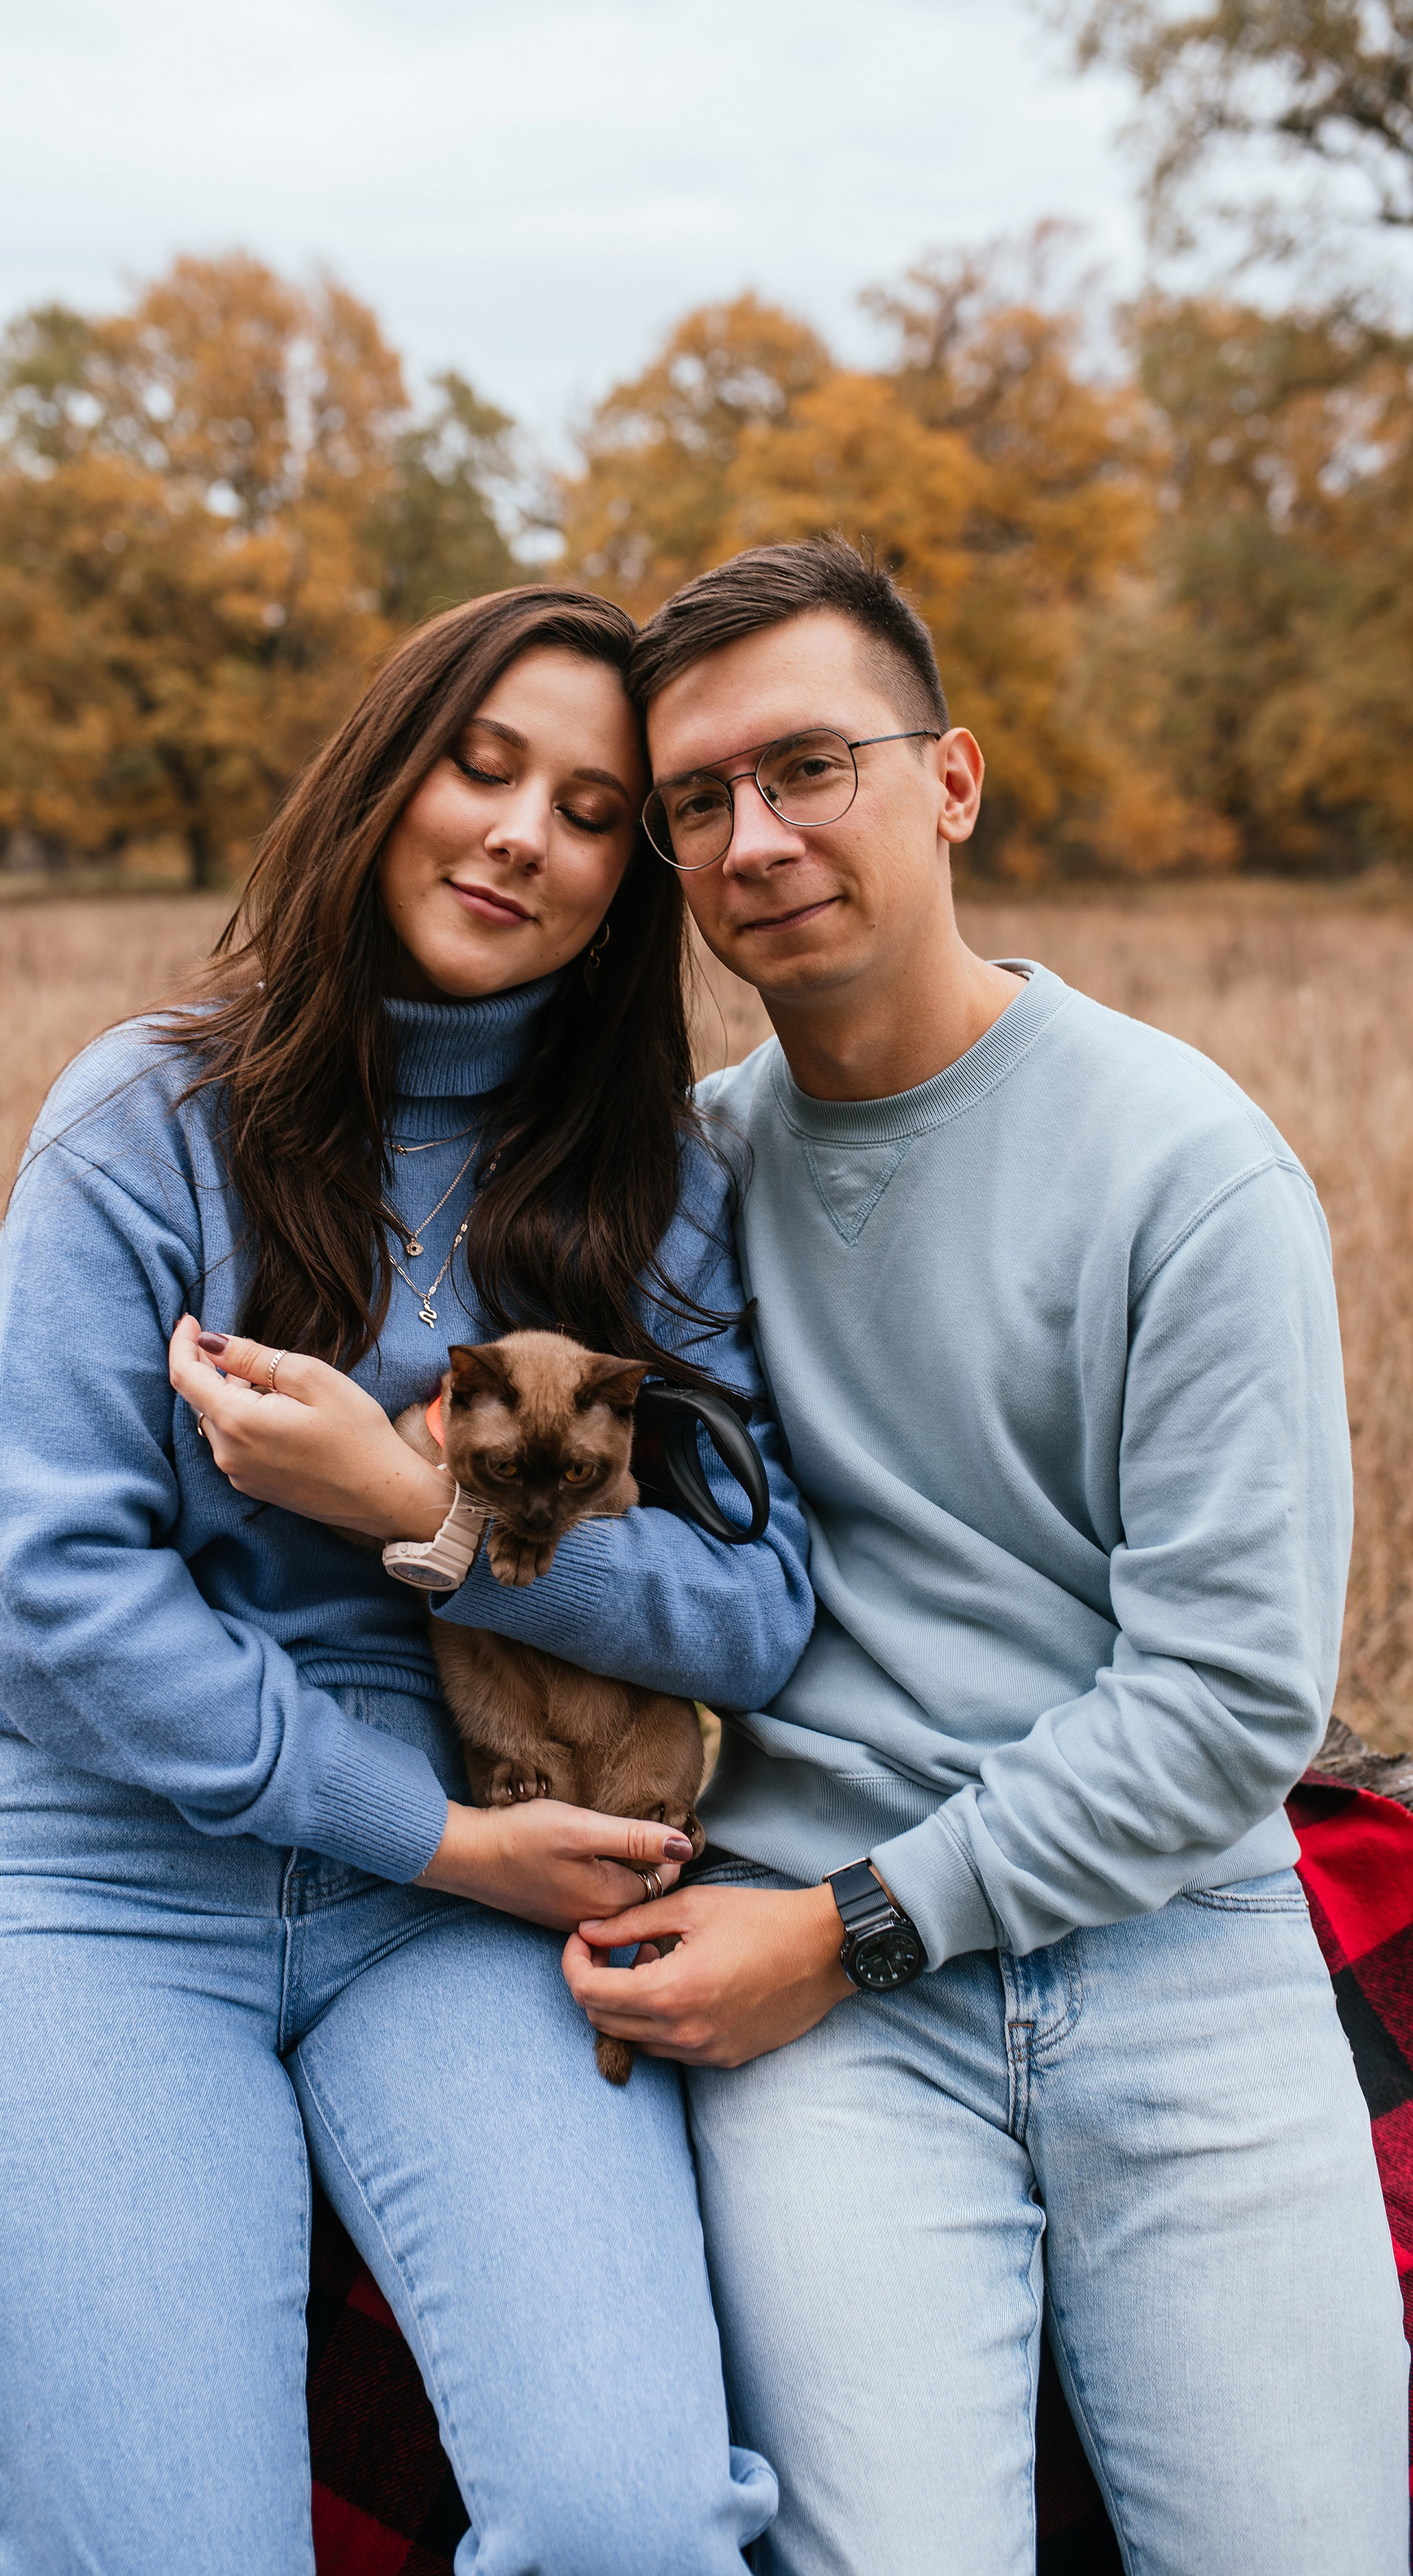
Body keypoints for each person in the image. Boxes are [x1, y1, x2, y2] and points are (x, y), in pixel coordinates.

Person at [0, 586, 812, 2576]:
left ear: (625, 883)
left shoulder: (651, 1186)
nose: (518, 837)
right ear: (384, 776)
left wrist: (417, 1511)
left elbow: (756, 1610)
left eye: (585, 809)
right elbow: (52, 1594)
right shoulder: (150, 1119)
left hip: (460, 1927)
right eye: (481, 770)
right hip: (94, 1892)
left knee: (632, 2525)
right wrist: (442, 1841)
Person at [565, 536, 1409, 2575]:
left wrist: (855, 1921)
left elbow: (1225, 1701)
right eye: (698, 803)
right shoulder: (678, 1188)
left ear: (950, 781)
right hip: (821, 2012)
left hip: (1168, 1948)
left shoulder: (1185, 1168)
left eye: (809, 768)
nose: (755, 838)